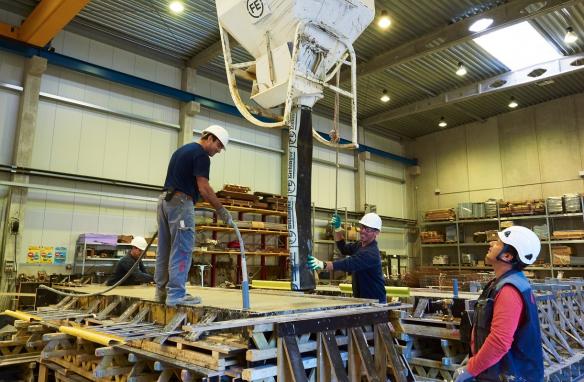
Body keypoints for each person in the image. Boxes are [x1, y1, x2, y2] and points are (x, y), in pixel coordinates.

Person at [155, 125, 235, 306]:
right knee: (182, 248)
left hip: (164, 202)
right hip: (181, 203)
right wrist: (221, 210)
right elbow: (204, 189)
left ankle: (161, 293)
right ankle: (176, 294)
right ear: (210, 138)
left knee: (165, 249)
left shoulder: (182, 150)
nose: (219, 151)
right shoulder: (201, 155)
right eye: (219, 146)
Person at [454, 226, 544, 382]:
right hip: (500, 371)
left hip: (507, 375)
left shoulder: (509, 290)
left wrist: (470, 369)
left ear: (507, 255)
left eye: (498, 243)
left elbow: (499, 341)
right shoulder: (501, 284)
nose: (491, 243)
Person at [308, 212, 386, 303]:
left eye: (368, 229)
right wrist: (338, 228)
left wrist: (323, 264)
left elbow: (348, 264)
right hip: (362, 299)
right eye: (362, 227)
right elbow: (343, 249)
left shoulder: (371, 253)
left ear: (376, 233)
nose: (363, 231)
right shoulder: (359, 245)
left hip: (376, 302)